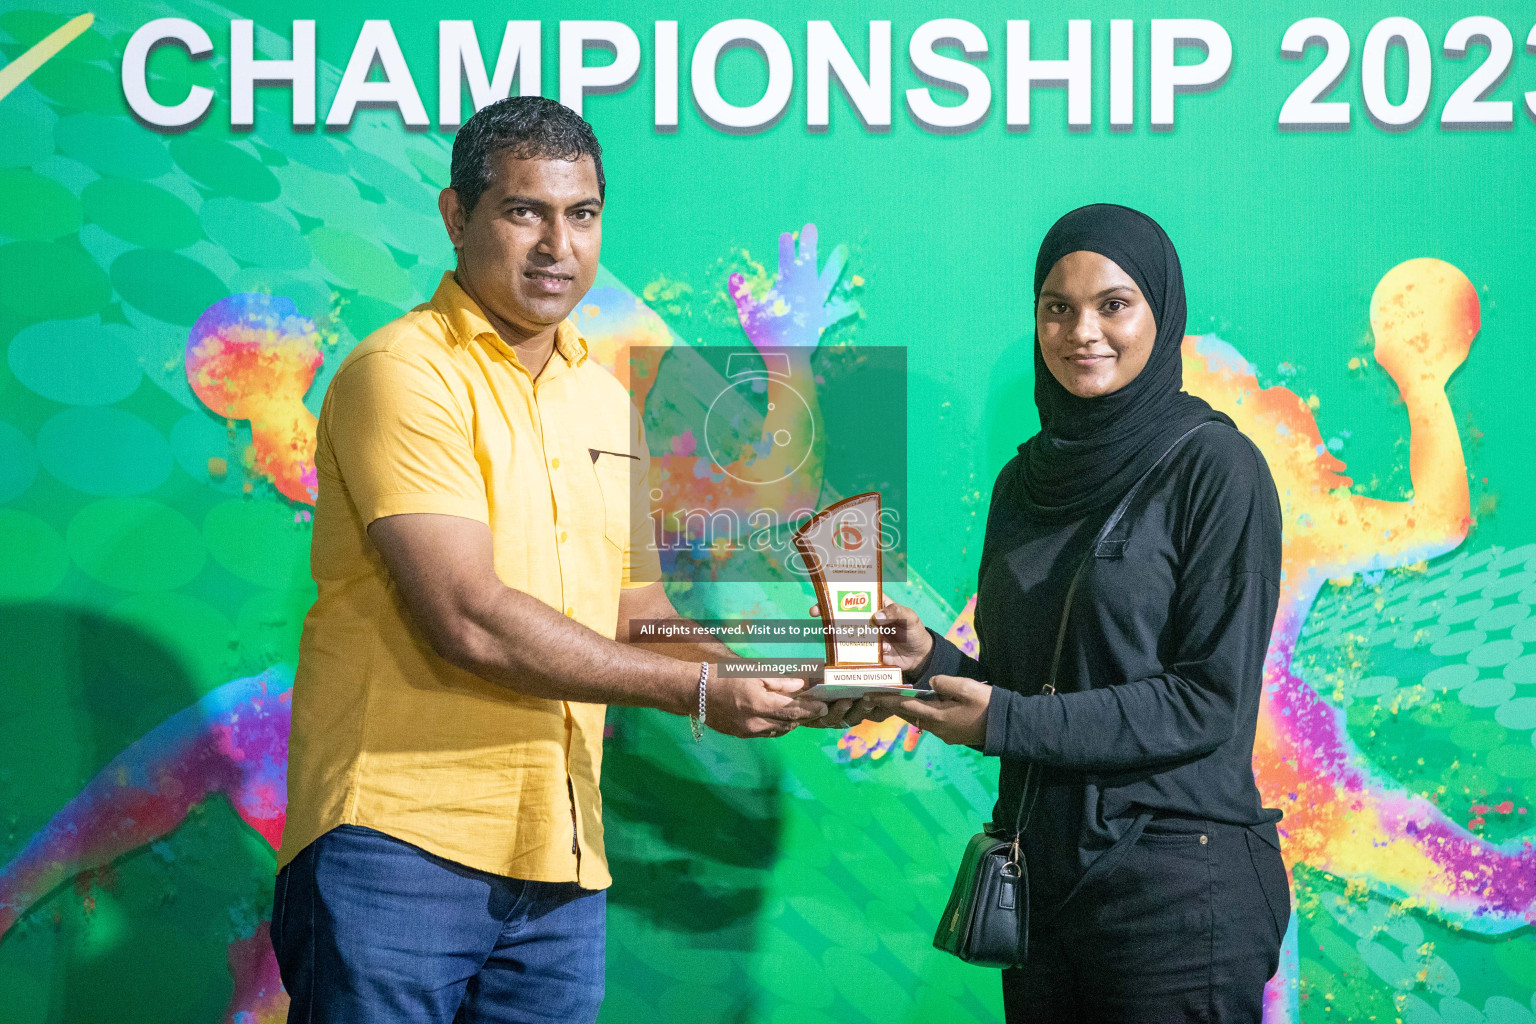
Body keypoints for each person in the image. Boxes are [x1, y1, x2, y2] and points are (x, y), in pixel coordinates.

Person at [270, 96, 826, 1024]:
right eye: (524, 210)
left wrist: (786, 675)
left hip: (561, 859)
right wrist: (696, 695)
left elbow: (634, 608)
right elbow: (467, 615)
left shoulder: (604, 404)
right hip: (397, 848)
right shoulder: (401, 373)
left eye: (582, 215)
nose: (556, 247)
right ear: (458, 216)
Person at [831, 204, 1290, 1022]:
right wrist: (930, 660)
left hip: (1178, 893)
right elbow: (1037, 691)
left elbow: (1207, 700)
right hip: (1041, 884)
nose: (1083, 330)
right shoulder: (1024, 482)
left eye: (1114, 304)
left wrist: (1003, 720)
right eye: (1057, 307)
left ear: (1162, 313)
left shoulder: (1216, 468)